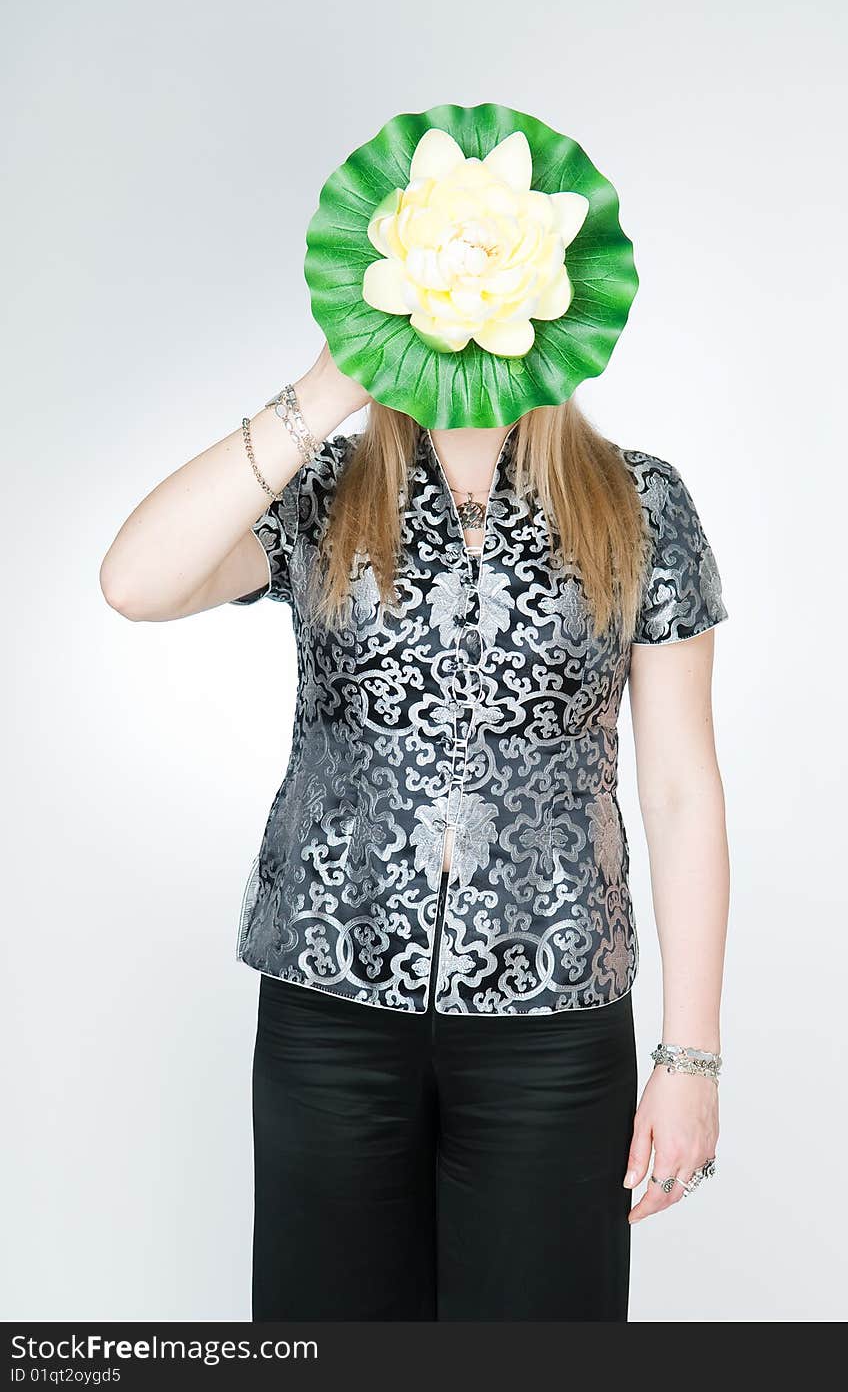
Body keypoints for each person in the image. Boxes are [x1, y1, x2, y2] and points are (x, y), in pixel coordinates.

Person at [99, 340, 730, 1322]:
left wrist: (688, 1060)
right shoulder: (325, 489)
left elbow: (681, 787)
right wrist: (332, 382)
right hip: (331, 1016)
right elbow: (136, 582)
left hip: (552, 1024)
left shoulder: (637, 500)